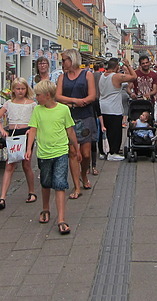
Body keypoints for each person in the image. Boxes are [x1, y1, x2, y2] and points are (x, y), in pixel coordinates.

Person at [25, 80, 80, 235]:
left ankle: (61, 218)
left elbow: (70, 131)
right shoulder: (37, 110)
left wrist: (76, 148)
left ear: (47, 96)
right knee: (45, 183)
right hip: (43, 153)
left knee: (60, 183)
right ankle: (45, 208)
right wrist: (29, 149)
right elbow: (33, 130)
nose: (36, 98)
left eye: (38, 95)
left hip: (61, 151)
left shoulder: (63, 110)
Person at [55, 49, 97, 199]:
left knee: (85, 154)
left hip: (85, 116)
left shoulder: (87, 75)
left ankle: (83, 174)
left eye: (64, 60)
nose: (63, 63)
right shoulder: (62, 77)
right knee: (72, 153)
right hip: (68, 118)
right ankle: (76, 187)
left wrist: (82, 101)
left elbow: (92, 95)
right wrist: (75, 101)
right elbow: (58, 96)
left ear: (72, 60)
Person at [0, 78, 37, 210]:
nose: (20, 91)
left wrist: (32, 129)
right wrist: (2, 130)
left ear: (26, 89)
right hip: (13, 134)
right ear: (13, 90)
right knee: (10, 164)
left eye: (22, 89)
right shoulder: (9, 103)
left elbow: (36, 120)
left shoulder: (31, 104)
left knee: (26, 164)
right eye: (18, 89)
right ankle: (2, 197)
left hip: (26, 134)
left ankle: (32, 191)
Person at [98, 58, 137, 162]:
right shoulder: (116, 76)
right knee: (115, 132)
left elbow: (125, 85)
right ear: (116, 67)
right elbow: (134, 77)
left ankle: (103, 152)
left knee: (104, 131)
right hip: (113, 108)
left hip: (102, 107)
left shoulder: (103, 76)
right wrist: (128, 65)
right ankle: (113, 152)